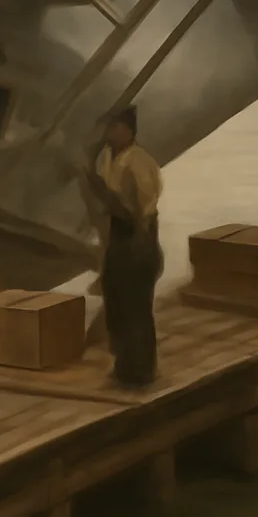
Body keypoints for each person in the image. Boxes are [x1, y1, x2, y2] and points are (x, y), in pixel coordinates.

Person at [84, 105, 164, 387]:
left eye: (115, 128)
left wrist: (141, 240)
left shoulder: (139, 160)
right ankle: (123, 364)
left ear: (129, 131)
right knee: (115, 296)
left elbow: (142, 205)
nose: (109, 133)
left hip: (138, 231)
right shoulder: (108, 156)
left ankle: (141, 368)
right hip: (119, 231)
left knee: (136, 303)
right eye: (108, 128)